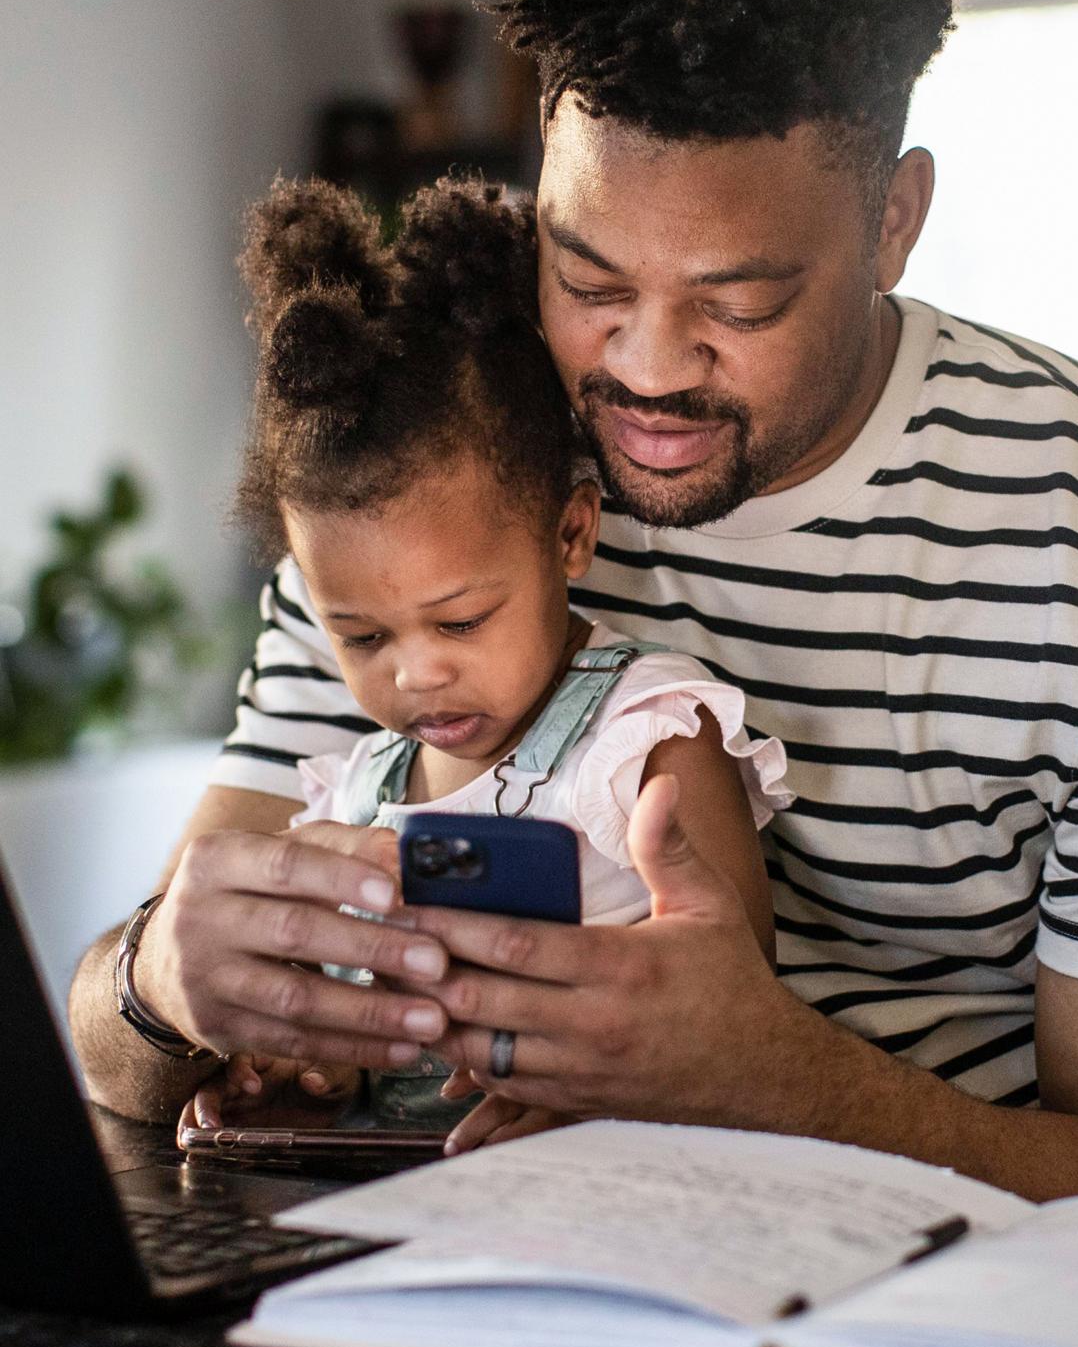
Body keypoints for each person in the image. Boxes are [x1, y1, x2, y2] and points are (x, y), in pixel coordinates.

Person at [70, 0, 1078, 1204]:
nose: (650, 368)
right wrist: (163, 982)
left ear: (895, 220)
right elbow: (114, 1055)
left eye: (740, 304)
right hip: (521, 1259)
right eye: (588, 276)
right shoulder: (438, 486)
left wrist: (774, 1083)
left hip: (992, 1318)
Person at [186, 173, 785, 1153]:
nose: (414, 676)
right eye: (363, 637)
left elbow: (737, 1027)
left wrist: (597, 1096)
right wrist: (305, 1075)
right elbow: (346, 1034)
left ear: (571, 534)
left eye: (459, 622)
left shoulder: (650, 743)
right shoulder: (353, 799)